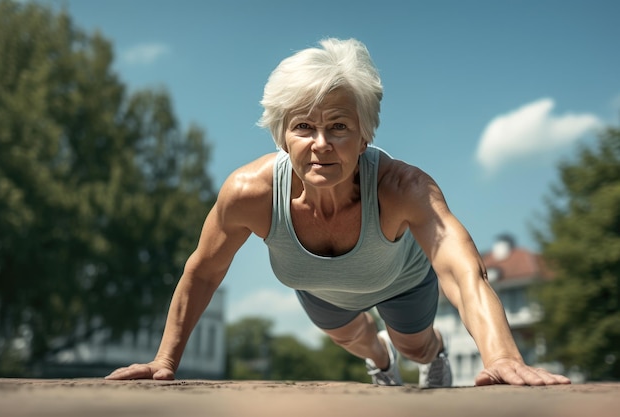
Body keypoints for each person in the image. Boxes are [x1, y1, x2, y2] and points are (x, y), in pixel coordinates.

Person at [105, 38, 571, 387]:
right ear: (281, 137)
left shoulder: (403, 188)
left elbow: (465, 273)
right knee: (360, 342)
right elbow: (203, 272)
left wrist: (502, 355)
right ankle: (382, 363)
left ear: (365, 134)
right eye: (304, 127)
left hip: (401, 282)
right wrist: (164, 361)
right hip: (322, 290)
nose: (321, 144)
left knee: (416, 344)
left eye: (339, 127)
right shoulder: (249, 193)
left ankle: (432, 358)